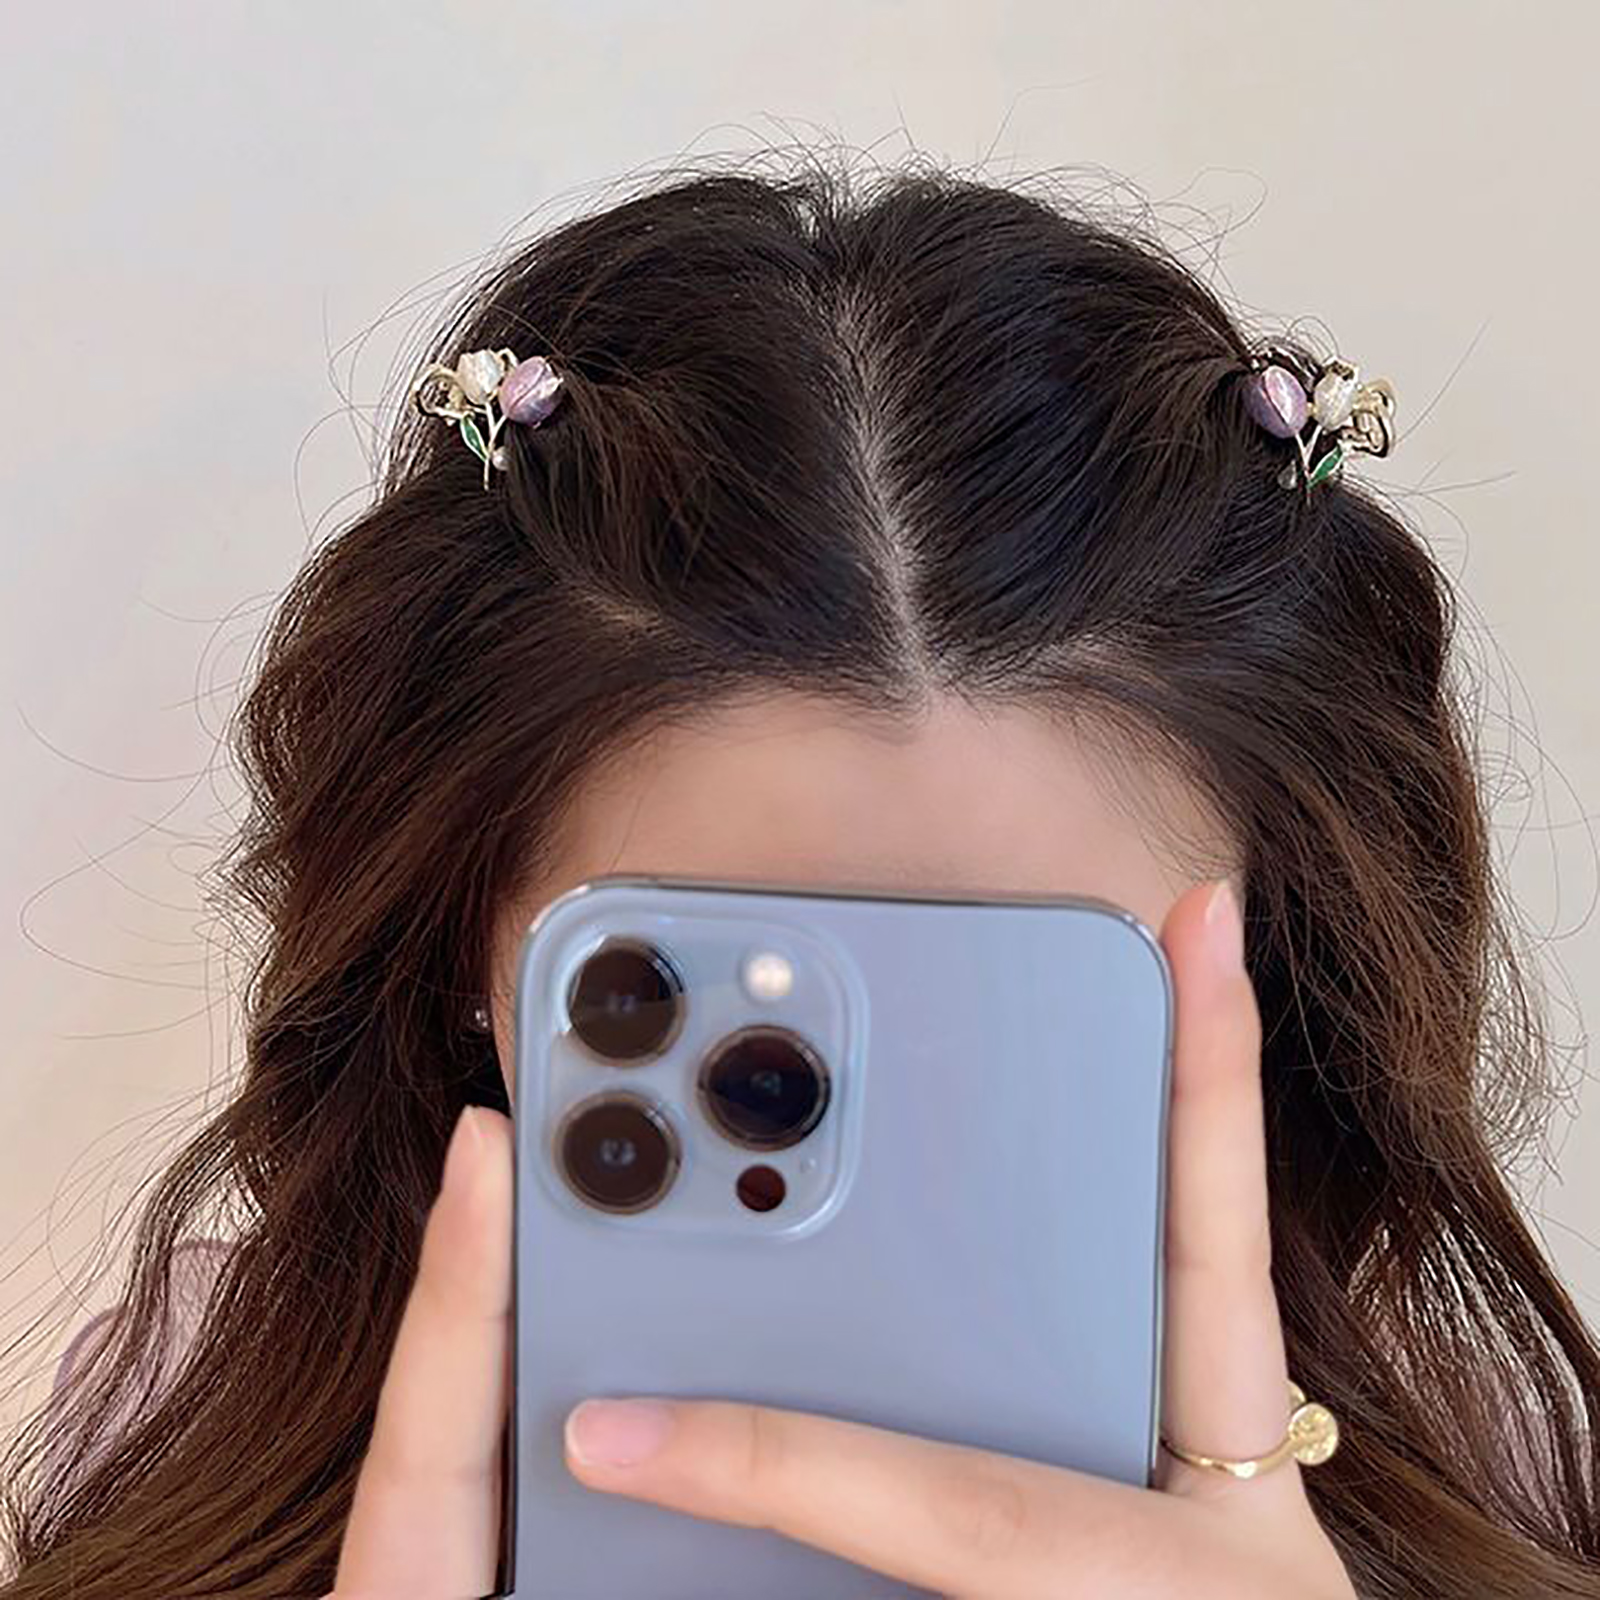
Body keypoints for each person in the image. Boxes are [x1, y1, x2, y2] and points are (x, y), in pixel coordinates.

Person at [2, 150, 1596, 1600]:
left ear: (1274, 986)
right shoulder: (191, 1422)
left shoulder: (1501, 1487)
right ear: (468, 958)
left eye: (1032, 1010)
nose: (903, 1124)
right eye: (718, 1019)